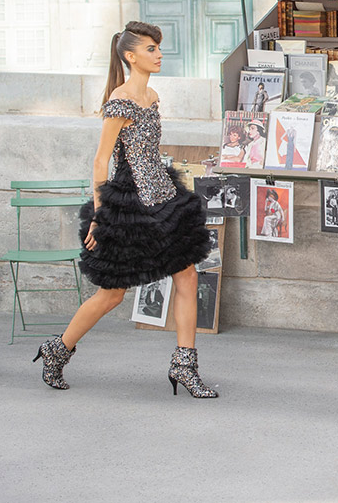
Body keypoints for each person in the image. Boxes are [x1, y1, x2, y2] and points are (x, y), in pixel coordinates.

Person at [33, 22, 216, 398]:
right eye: (151, 49)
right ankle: (57, 350)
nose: (159, 54)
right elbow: (101, 162)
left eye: (158, 48)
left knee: (188, 278)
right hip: (129, 206)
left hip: (164, 199)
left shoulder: (152, 95)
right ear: (130, 56)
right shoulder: (119, 101)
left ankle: (184, 365)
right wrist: (101, 216)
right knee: (112, 295)